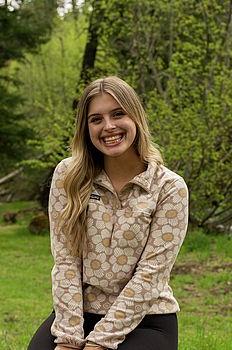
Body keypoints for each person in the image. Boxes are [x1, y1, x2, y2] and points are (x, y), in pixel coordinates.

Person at [28, 76, 188, 350]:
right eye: (96, 119)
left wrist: (99, 344)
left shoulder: (169, 188)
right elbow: (65, 262)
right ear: (86, 127)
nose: (109, 126)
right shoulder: (69, 176)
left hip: (147, 317)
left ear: (135, 117)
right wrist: (68, 339)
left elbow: (150, 276)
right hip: (80, 313)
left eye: (118, 114)